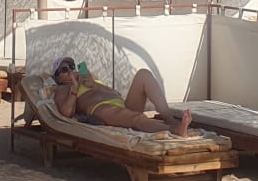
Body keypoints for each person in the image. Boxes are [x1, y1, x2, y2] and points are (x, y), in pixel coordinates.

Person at [51, 56, 193, 136]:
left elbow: (115, 93)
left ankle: (168, 118)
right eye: (64, 69)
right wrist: (74, 88)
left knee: (143, 74)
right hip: (101, 109)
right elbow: (66, 112)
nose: (70, 70)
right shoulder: (63, 89)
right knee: (137, 118)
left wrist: (92, 83)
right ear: (58, 78)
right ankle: (175, 130)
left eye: (71, 66)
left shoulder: (88, 78)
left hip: (121, 104)